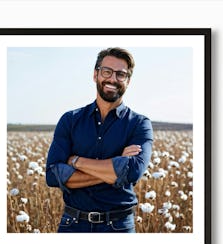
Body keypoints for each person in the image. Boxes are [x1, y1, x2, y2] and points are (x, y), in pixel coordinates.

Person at [46, 47, 153, 233]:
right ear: (95, 75)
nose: (112, 79)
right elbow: (53, 175)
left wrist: (75, 161)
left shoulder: (140, 124)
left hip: (118, 226)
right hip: (72, 225)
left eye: (121, 74)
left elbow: (132, 172)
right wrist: (115, 165)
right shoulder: (70, 120)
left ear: (128, 81)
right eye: (107, 72)